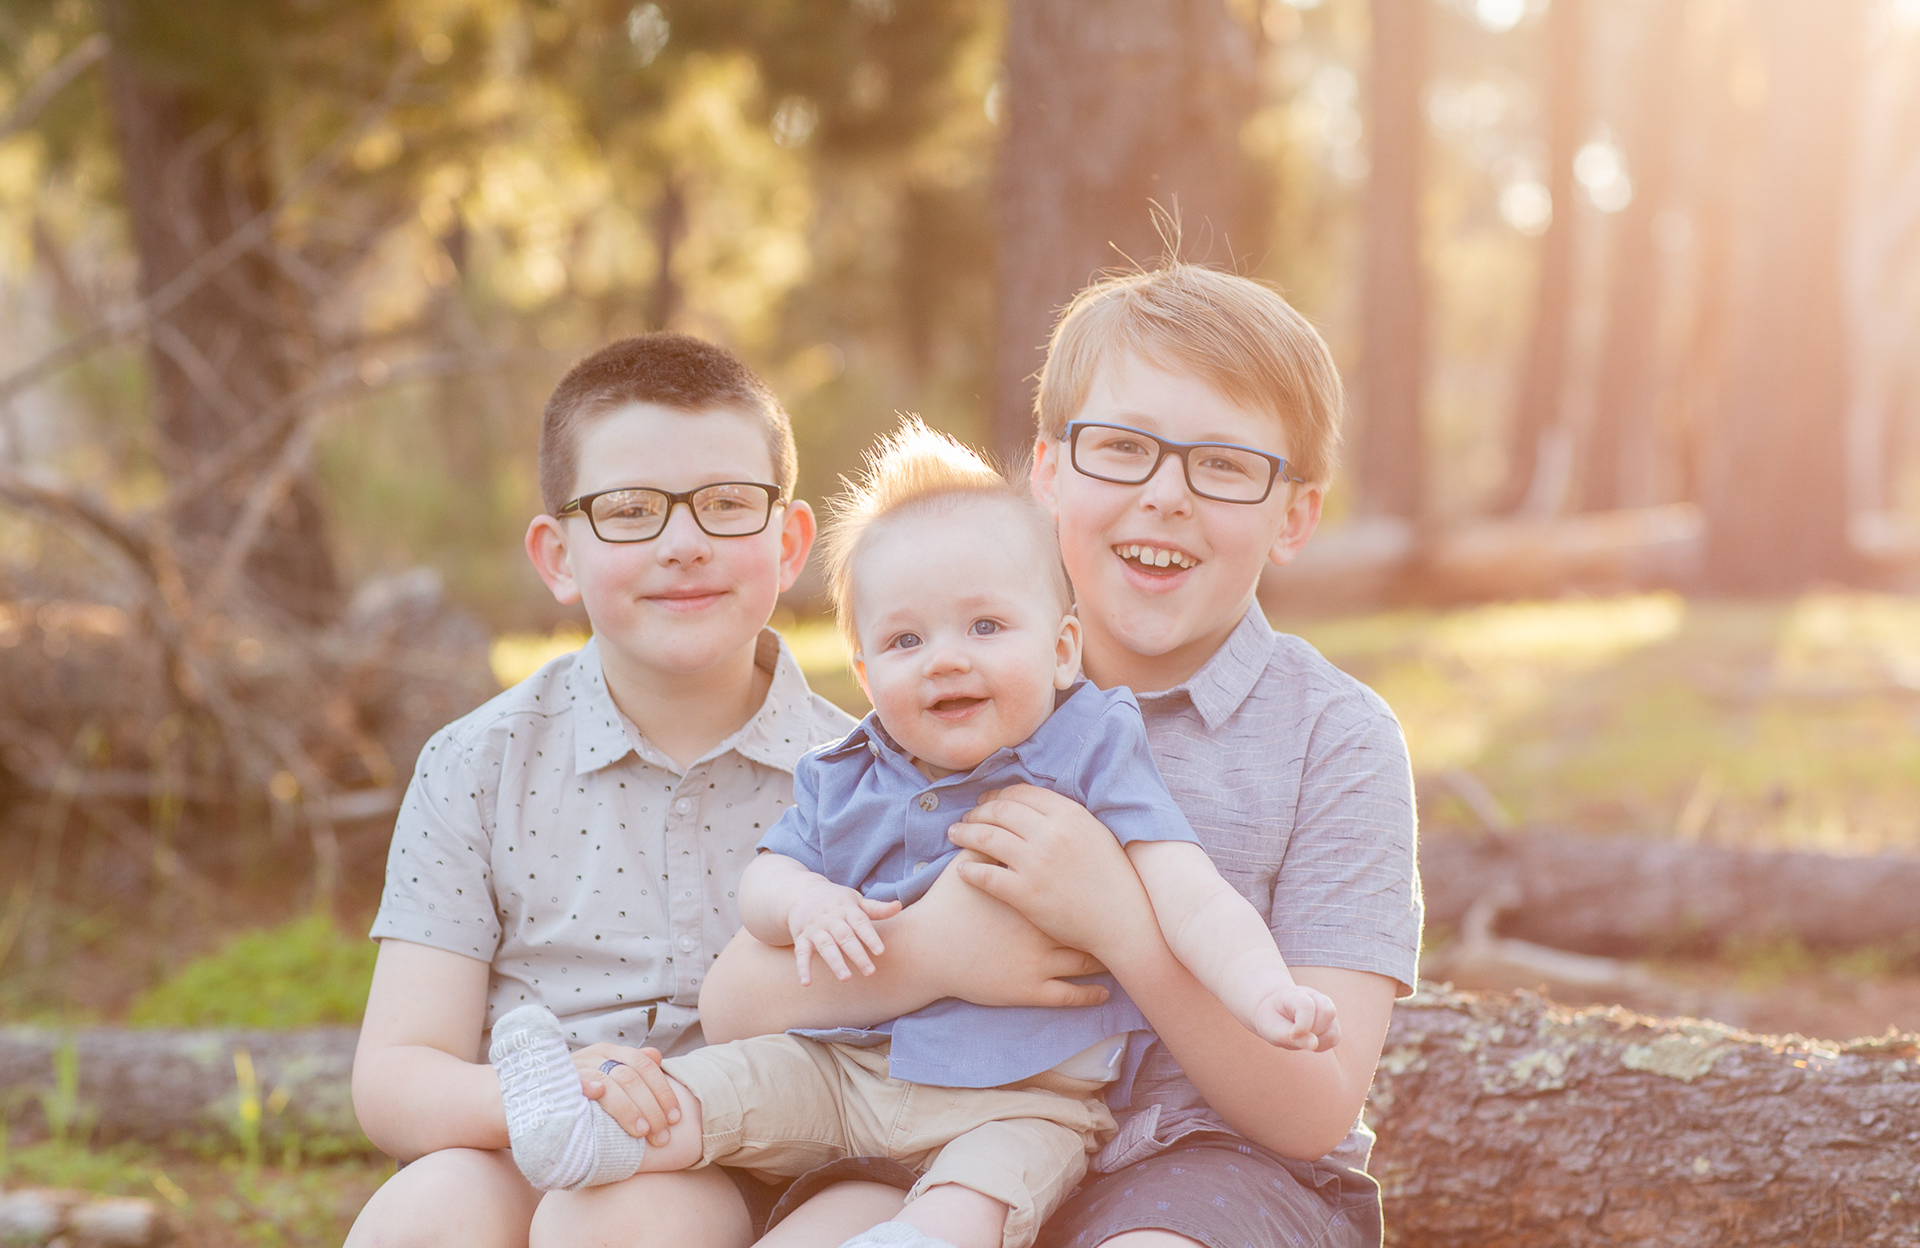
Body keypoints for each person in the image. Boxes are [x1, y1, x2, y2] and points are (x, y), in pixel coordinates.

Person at [687, 262, 1424, 1248]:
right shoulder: (938, 705)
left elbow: (1312, 1108)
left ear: (1292, 514)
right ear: (1047, 472)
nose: (1166, 495)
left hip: (1220, 1167)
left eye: (1224, 464)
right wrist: (933, 950)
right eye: (1122, 448)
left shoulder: (1336, 739)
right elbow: (736, 1001)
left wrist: (1122, 925)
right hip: (938, 1131)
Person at [489, 421, 1340, 1248]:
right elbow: (764, 886)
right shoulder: (849, 769)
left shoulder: (1089, 751)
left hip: (1023, 1095)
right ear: (864, 673)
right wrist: (808, 905)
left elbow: (1189, 891)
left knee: (986, 1188)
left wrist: (1263, 989)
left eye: (985, 627)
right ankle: (592, 1134)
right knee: (731, 1085)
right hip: (853, 1069)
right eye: (905, 639)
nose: (945, 659)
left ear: (1062, 650)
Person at [345, 336, 1097, 1248]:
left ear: (788, 545)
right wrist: (569, 1085)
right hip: (517, 1129)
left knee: (616, 1222)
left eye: (727, 505)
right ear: (557, 556)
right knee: (421, 1218)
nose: (684, 544)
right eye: (628, 511)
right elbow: (394, 1077)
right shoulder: (478, 764)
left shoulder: (881, 772)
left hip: (770, 1157)